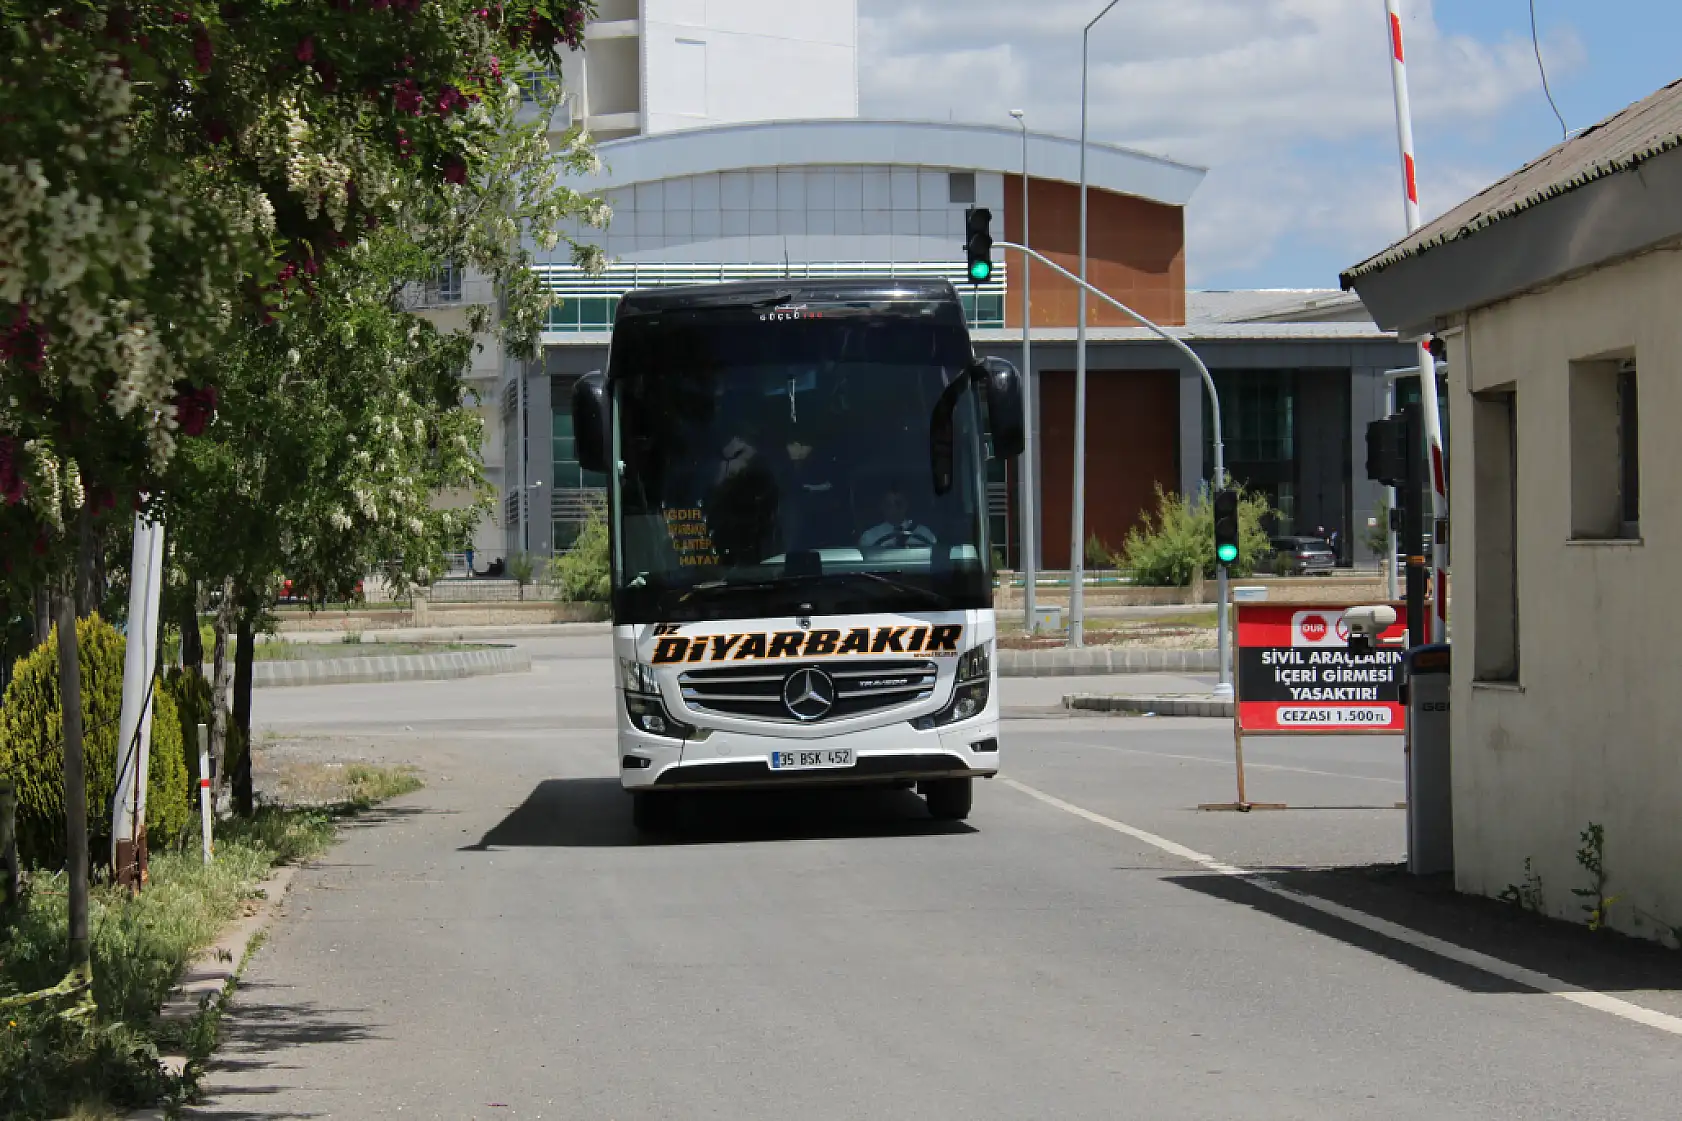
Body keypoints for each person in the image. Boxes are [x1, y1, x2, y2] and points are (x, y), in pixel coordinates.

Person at [859, 484, 937, 549]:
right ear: (881, 507)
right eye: (888, 505)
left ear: (906, 505)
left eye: (898, 504)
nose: (894, 509)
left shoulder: (925, 534)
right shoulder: (870, 538)